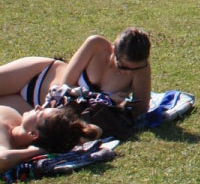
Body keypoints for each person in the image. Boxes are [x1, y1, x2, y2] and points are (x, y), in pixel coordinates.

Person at [0, 29, 153, 119]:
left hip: (37, 107)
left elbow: (139, 111)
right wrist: (103, 99)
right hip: (38, 74)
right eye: (123, 66)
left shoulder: (141, 70)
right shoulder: (96, 45)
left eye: (133, 69)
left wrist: (117, 107)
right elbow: (64, 86)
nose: (127, 72)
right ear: (113, 50)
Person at [0, 101, 102, 172]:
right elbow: (96, 130)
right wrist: (41, 151)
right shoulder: (10, 118)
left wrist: (36, 151)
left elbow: (3, 159)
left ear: (33, 134)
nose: (37, 107)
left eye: (39, 113)